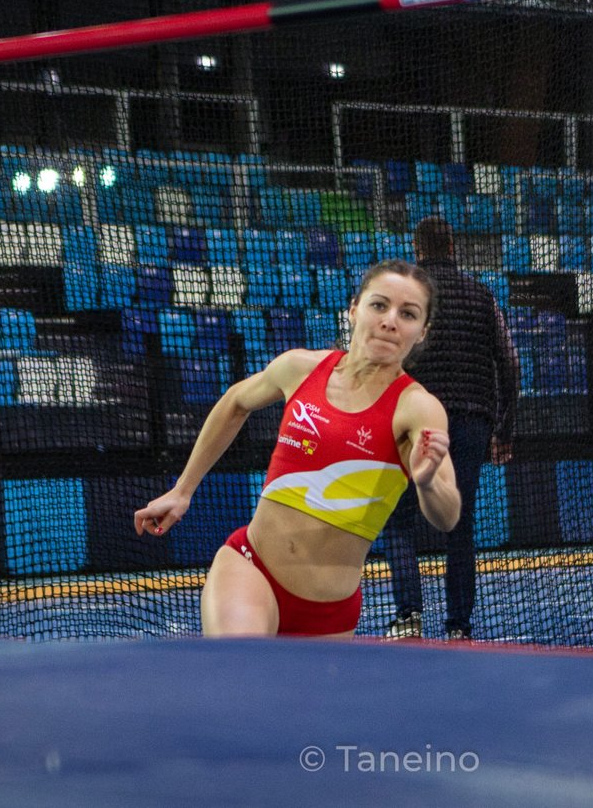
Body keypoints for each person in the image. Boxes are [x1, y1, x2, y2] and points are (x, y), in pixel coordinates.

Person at [133, 260, 460, 637]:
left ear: (422, 332)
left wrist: (427, 482)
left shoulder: (418, 407)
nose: (390, 321)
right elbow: (235, 401)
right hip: (251, 567)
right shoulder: (300, 368)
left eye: (408, 314)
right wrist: (182, 490)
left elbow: (448, 516)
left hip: (329, 611)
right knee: (240, 665)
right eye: (379, 305)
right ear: (354, 309)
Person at [381, 216, 519, 641]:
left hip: (418, 422)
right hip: (472, 420)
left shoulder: (409, 298)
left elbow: (385, 357)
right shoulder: (482, 296)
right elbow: (510, 363)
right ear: (453, 248)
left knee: (398, 518)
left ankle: (409, 615)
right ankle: (459, 626)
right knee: (460, 523)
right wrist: (504, 429)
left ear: (418, 250)